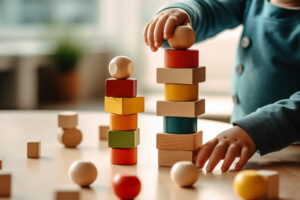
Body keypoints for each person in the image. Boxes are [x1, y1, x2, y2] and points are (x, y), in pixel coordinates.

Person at [144, 0, 300, 172]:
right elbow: (211, 7)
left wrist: (256, 131)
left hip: (290, 152)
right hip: (244, 147)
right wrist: (182, 12)